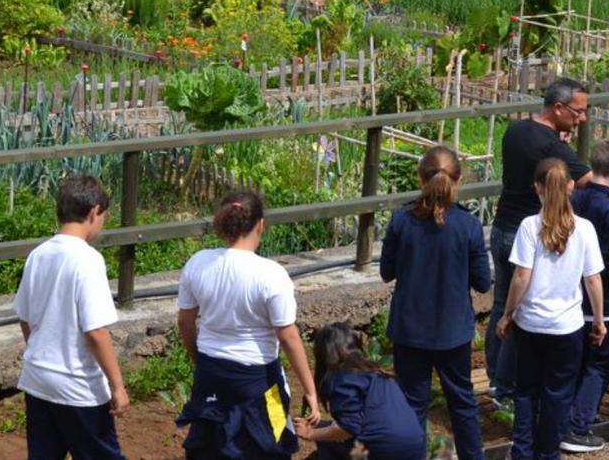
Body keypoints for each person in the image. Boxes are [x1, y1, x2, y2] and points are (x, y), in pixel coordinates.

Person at [486, 78, 609, 405]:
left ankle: (497, 380)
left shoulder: (516, 131)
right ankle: (511, 389)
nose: (582, 118)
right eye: (578, 111)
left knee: (502, 305)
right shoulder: (554, 149)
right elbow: (594, 184)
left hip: (501, 228)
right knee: (517, 312)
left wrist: (558, 138)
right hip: (526, 235)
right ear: (558, 108)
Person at [176, 190, 320, 459]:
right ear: (260, 224)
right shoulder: (271, 274)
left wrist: (199, 359)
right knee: (273, 442)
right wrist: (310, 390)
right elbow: (288, 336)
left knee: (209, 446)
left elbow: (185, 322)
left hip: (210, 372)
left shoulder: (198, 263)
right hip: (259, 378)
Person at [380, 146, 491, 460]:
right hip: (452, 332)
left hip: (410, 330)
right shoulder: (468, 225)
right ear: (457, 182)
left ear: (420, 178)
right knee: (462, 403)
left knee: (413, 406)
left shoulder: (401, 220)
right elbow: (483, 282)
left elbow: (386, 272)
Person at [496, 158, 607, 460]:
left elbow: (521, 277)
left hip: (531, 324)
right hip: (567, 326)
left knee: (526, 392)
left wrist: (507, 314)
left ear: (537, 188)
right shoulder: (584, 229)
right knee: (558, 396)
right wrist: (598, 320)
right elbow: (593, 279)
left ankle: (522, 452)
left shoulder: (529, 226)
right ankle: (548, 454)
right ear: (571, 186)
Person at [14, 174, 128, 460]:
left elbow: (25, 318)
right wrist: (117, 385)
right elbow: (96, 332)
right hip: (78, 387)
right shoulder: (88, 260)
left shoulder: (38, 255)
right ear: (93, 212)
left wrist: (41, 354)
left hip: (38, 379)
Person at [561, 140, 609, 454]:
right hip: (605, 301)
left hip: (573, 295)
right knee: (601, 364)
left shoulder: (575, 199)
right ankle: (577, 425)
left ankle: (573, 412)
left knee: (578, 362)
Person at [296, 323, 425, 459]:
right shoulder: (375, 372)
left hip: (384, 448)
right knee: (327, 432)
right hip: (414, 444)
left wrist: (310, 434)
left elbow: (348, 428)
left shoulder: (342, 379)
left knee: (328, 446)